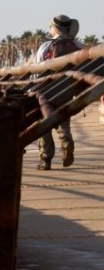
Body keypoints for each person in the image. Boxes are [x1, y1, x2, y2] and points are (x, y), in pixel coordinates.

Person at [35, 14, 83, 170]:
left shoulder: (46, 46)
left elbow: (36, 71)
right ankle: (66, 139)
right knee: (64, 120)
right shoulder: (78, 45)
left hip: (47, 91)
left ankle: (45, 159)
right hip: (68, 91)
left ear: (55, 28)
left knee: (44, 125)